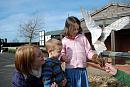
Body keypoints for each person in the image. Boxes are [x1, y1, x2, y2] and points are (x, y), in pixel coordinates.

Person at [61, 16, 105, 87]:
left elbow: (88, 51)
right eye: (74, 29)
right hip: (70, 70)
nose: (76, 31)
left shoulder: (82, 38)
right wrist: (63, 57)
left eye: (77, 29)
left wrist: (95, 57)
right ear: (67, 29)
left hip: (82, 70)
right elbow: (61, 52)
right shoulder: (64, 40)